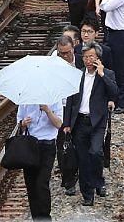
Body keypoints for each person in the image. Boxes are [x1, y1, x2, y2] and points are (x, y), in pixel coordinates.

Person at [62, 44, 117, 207]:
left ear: (98, 58)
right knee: (83, 159)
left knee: (95, 152)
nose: (88, 60)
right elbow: (70, 100)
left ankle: (98, 181)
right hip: (80, 121)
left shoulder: (107, 74)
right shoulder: (78, 75)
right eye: (85, 57)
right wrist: (67, 123)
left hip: (97, 122)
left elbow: (115, 92)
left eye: (91, 57)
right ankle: (88, 195)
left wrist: (102, 75)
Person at [17, 99, 63, 220]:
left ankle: (45, 217)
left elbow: (59, 124)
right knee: (31, 183)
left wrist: (48, 111)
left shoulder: (55, 99)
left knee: (42, 182)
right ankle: (36, 217)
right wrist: (23, 123)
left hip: (47, 145)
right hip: (30, 145)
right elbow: (19, 123)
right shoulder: (25, 100)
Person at [52, 37, 79, 193]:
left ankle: (77, 172)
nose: (65, 56)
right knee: (62, 146)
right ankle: (68, 179)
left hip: (78, 108)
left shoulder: (82, 61)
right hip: (61, 108)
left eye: (67, 53)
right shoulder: (53, 63)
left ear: (73, 48)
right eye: (61, 53)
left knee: (79, 143)